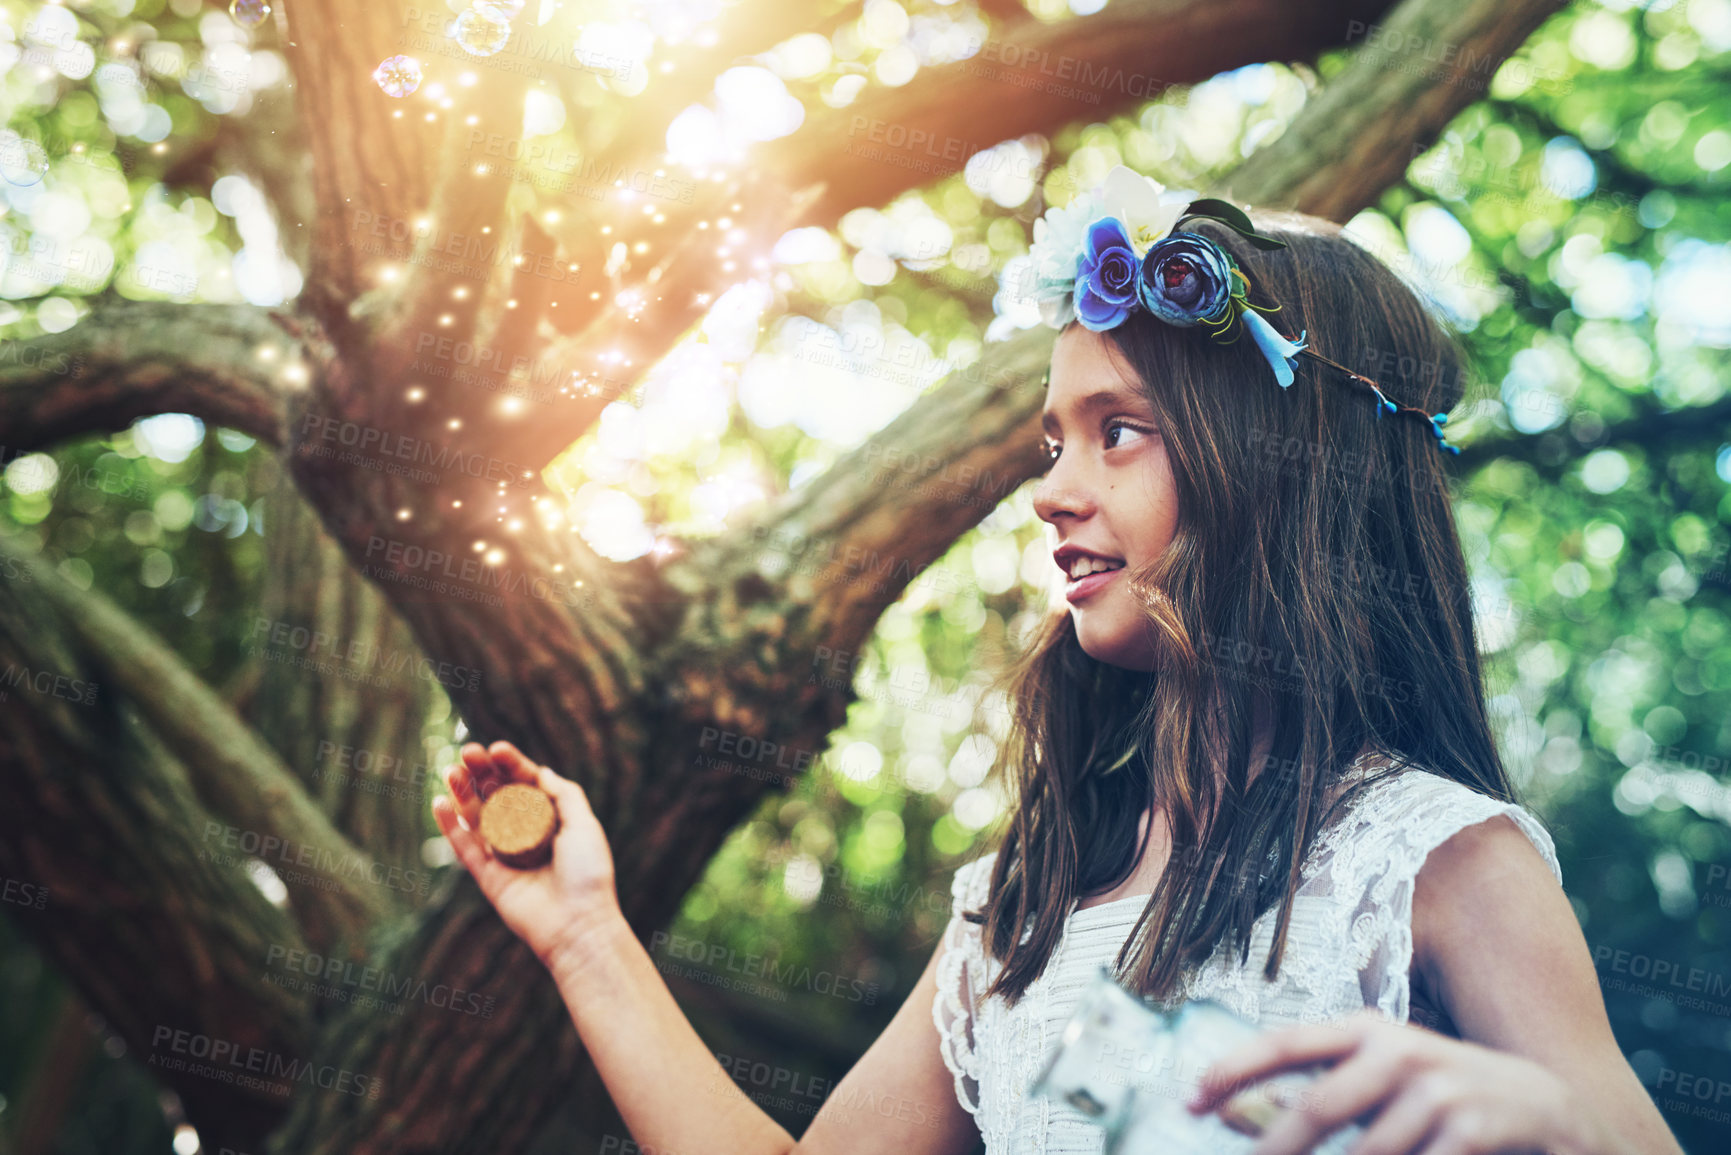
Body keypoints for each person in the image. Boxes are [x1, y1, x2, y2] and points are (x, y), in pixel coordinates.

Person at [434, 166, 1686, 1155]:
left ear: (1290, 476)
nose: (1052, 494)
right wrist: (585, 933)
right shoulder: (1021, 905)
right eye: (1051, 446)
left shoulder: (1439, 861)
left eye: (1118, 433)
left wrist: (1541, 1124)